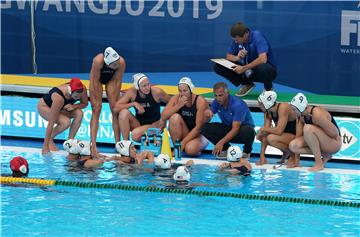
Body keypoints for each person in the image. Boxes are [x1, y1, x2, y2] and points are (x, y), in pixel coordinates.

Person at [213, 22, 277, 96]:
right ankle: (246, 84)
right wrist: (237, 57)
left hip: (266, 71)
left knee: (262, 67)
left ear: (245, 34)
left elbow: (263, 59)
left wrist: (244, 68)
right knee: (218, 66)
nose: (236, 42)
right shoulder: (236, 40)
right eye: (234, 40)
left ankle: (268, 88)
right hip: (247, 71)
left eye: (237, 40)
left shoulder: (257, 36)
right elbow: (228, 56)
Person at [201, 82, 255, 159]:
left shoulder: (238, 105)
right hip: (228, 128)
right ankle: (227, 150)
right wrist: (207, 114)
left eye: (220, 95)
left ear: (227, 93)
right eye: (215, 95)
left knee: (249, 130)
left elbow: (235, 129)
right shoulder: (216, 102)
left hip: (241, 132)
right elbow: (208, 116)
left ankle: (246, 152)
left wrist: (220, 142)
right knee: (204, 128)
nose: (218, 98)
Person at [289, 93, 342, 172]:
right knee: (293, 146)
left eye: (294, 110)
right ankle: (325, 154)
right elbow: (298, 136)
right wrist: (296, 161)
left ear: (300, 108)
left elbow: (335, 133)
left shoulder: (317, 114)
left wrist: (318, 128)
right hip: (322, 141)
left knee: (308, 129)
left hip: (334, 142)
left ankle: (319, 163)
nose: (293, 112)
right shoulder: (300, 116)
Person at [89, 47, 126, 157]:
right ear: (107, 62)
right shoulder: (98, 61)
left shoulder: (121, 62)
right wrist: (96, 101)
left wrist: (116, 102)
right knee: (96, 109)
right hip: (97, 81)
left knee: (115, 110)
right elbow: (95, 81)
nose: (117, 66)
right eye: (114, 65)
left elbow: (118, 82)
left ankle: (118, 144)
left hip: (112, 80)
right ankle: (93, 145)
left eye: (117, 63)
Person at [114, 73, 171, 141]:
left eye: (148, 84)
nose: (148, 88)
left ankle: (153, 139)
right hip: (139, 124)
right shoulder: (132, 93)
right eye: (144, 86)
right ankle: (127, 144)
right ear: (137, 87)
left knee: (135, 135)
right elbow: (116, 108)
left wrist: (163, 118)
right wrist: (133, 104)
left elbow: (172, 103)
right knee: (123, 113)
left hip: (155, 126)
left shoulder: (157, 92)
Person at [38, 78, 88, 154]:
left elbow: (84, 103)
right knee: (66, 122)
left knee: (79, 113)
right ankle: (49, 139)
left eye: (79, 97)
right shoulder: (59, 98)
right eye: (75, 97)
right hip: (45, 107)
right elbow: (51, 123)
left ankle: (70, 141)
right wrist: (45, 146)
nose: (78, 99)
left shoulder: (82, 89)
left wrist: (74, 106)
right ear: (70, 91)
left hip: (61, 107)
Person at [161, 77, 209, 156]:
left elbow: (198, 128)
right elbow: (163, 116)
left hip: (199, 135)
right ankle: (177, 147)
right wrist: (178, 106)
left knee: (190, 150)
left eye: (185, 91)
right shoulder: (176, 99)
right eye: (180, 91)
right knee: (174, 117)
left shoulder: (200, 101)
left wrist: (183, 143)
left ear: (191, 90)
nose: (182, 93)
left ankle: (187, 147)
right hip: (185, 132)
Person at [256, 91, 297, 166]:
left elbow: (279, 131)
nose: (258, 105)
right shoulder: (267, 112)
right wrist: (262, 158)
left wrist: (262, 129)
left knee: (271, 138)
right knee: (262, 136)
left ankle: (293, 156)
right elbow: (265, 133)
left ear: (266, 104)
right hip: (285, 135)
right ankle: (286, 152)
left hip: (296, 136)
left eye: (260, 104)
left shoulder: (283, 107)